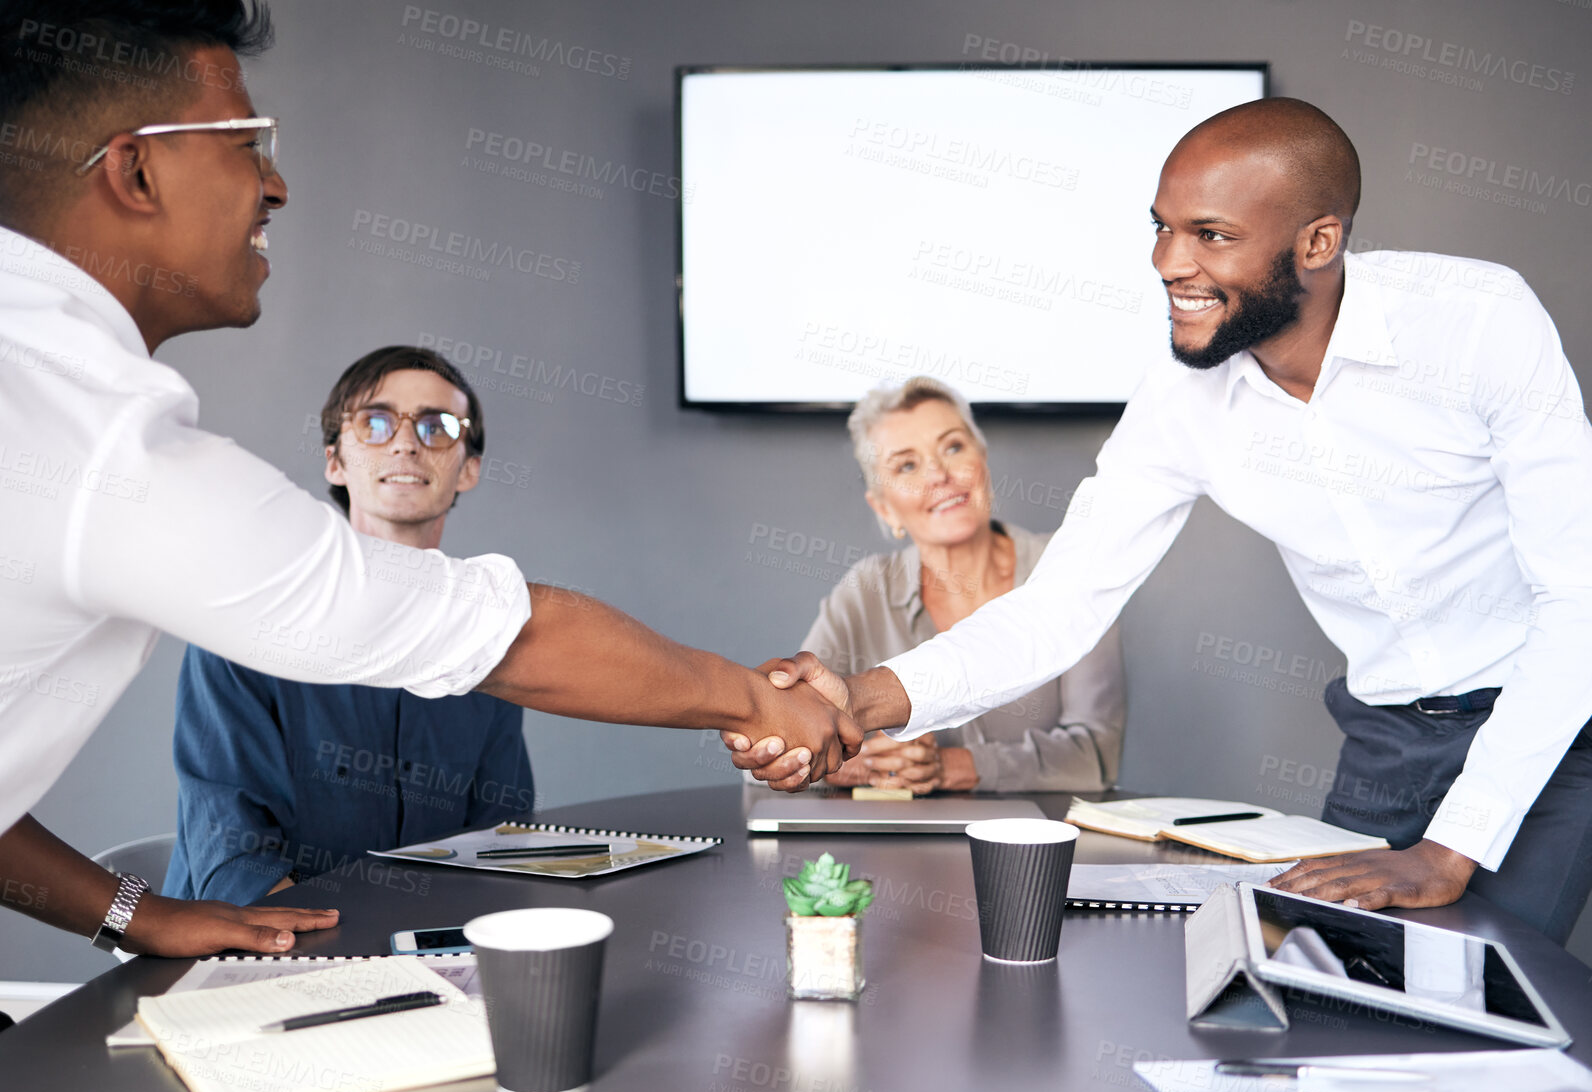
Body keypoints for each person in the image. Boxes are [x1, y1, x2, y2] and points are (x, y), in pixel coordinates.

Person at [0, 1, 857, 961]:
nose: (275, 185)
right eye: (248, 145)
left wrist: (137, 911)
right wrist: (753, 700)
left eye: (438, 427)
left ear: (470, 463)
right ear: (138, 169)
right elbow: (507, 630)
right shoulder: (102, 441)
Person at [735, 97, 1592, 944]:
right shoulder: (1184, 399)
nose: (1167, 261)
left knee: (1495, 1002)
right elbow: (1057, 605)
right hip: (1385, 736)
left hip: (1550, 721)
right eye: (1161, 227)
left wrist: (1452, 846)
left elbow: (1578, 597)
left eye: (1210, 235)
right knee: (1335, 991)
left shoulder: (1478, 322)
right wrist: (863, 696)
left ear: (1318, 242)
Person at [165, 346, 536, 903]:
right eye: (376, 422)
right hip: (255, 951)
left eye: (438, 426)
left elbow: (499, 844)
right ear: (335, 460)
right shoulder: (246, 620)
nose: (407, 442)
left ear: (469, 468)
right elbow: (237, 863)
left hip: (423, 953)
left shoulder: (489, 639)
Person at [798, 376, 1124, 794]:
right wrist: (860, 766)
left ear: (982, 462)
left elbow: (1097, 755)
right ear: (884, 508)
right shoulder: (863, 593)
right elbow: (782, 741)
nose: (939, 474)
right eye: (907, 465)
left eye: (953, 447)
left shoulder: (1068, 569)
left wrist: (955, 766)